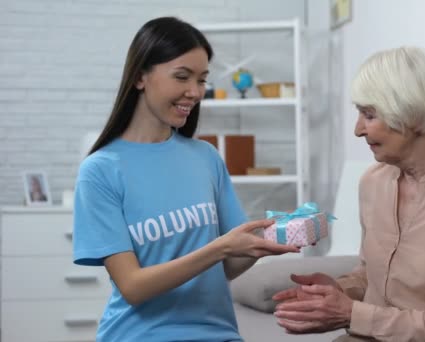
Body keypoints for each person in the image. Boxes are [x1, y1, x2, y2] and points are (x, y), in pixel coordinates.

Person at [72, 17, 300, 342]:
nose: (194, 92)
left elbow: (225, 266)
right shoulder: (101, 170)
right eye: (182, 77)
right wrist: (220, 248)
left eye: (202, 79)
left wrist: (263, 244)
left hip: (220, 334)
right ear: (140, 76)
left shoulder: (205, 158)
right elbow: (133, 287)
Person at [273, 46, 425, 342]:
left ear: (413, 114)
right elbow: (371, 275)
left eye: (369, 115)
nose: (358, 130)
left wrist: (350, 314)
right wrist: (337, 291)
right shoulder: (372, 182)